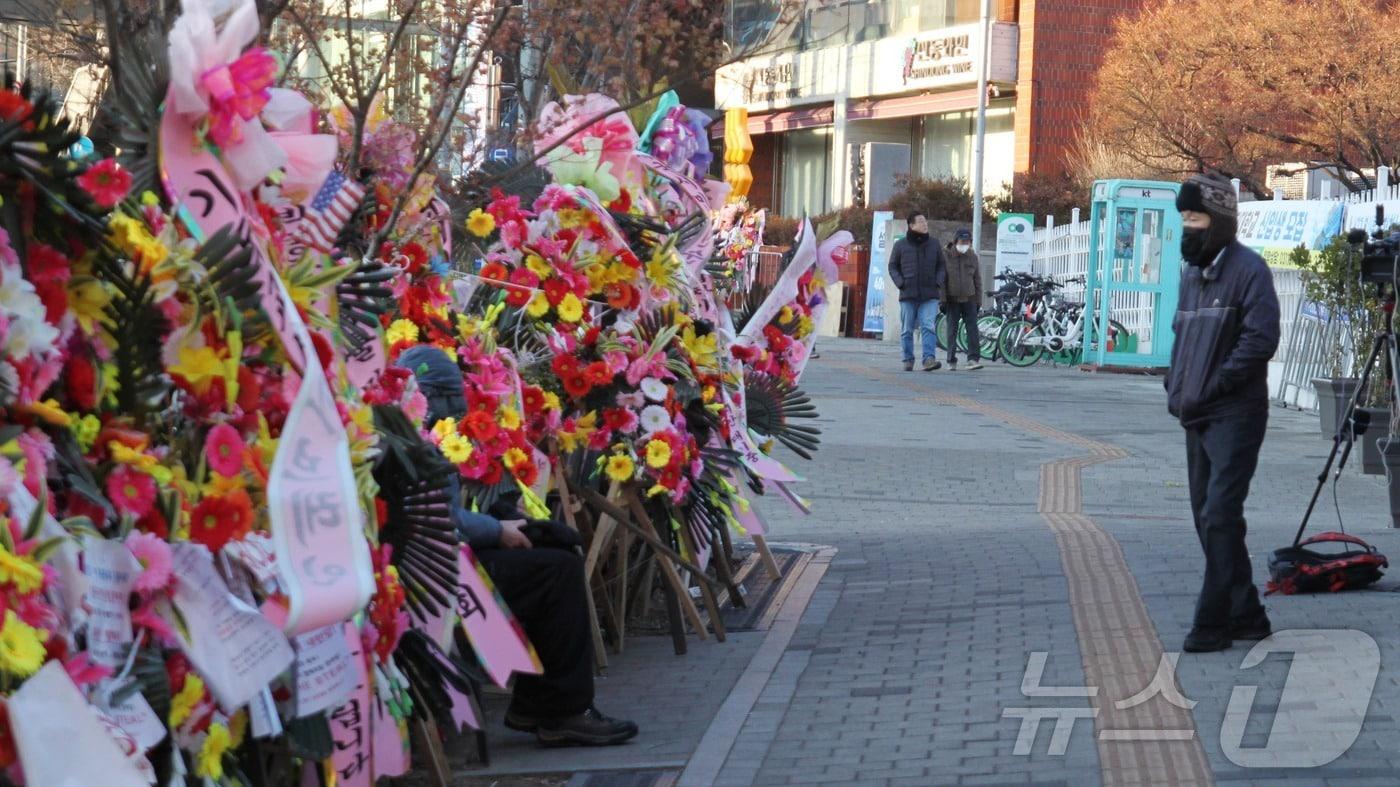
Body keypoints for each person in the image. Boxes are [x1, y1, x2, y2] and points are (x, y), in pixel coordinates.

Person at [396, 345, 640, 746]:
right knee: (555, 572)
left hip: (440, 555)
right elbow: (440, 517)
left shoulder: (418, 430)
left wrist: (504, 524)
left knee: (553, 550)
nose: (457, 407)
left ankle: (539, 704)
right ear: (430, 393)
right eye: (450, 395)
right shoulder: (408, 435)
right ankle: (561, 710)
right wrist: (495, 530)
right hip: (428, 571)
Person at [1164, 173, 1280, 653]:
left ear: (1221, 220)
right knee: (1208, 517)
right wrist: (1177, 384)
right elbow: (1182, 334)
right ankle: (1247, 613)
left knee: (1219, 512)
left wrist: (1216, 383)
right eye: (1185, 218)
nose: (1188, 227)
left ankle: (1211, 624)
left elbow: (1261, 339)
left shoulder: (1250, 271)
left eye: (1196, 218)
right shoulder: (1193, 274)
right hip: (1198, 412)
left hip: (1236, 412)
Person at [888, 211, 945, 371]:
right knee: (907, 329)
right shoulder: (901, 245)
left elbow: (941, 265)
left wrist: (938, 282)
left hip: (930, 294)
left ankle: (929, 359)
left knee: (928, 326)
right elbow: (892, 266)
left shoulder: (934, 244)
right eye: (921, 222)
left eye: (925, 221)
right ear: (911, 225)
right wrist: (901, 283)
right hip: (908, 294)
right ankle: (908, 358)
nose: (925, 224)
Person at [942, 228, 984, 371]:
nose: (965, 245)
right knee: (951, 330)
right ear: (955, 242)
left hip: (970, 298)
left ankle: (973, 359)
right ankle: (951, 360)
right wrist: (942, 300)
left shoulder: (972, 256)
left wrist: (979, 300)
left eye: (968, 242)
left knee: (972, 329)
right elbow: (941, 280)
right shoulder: (945, 255)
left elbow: (977, 279)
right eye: (962, 242)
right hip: (951, 299)